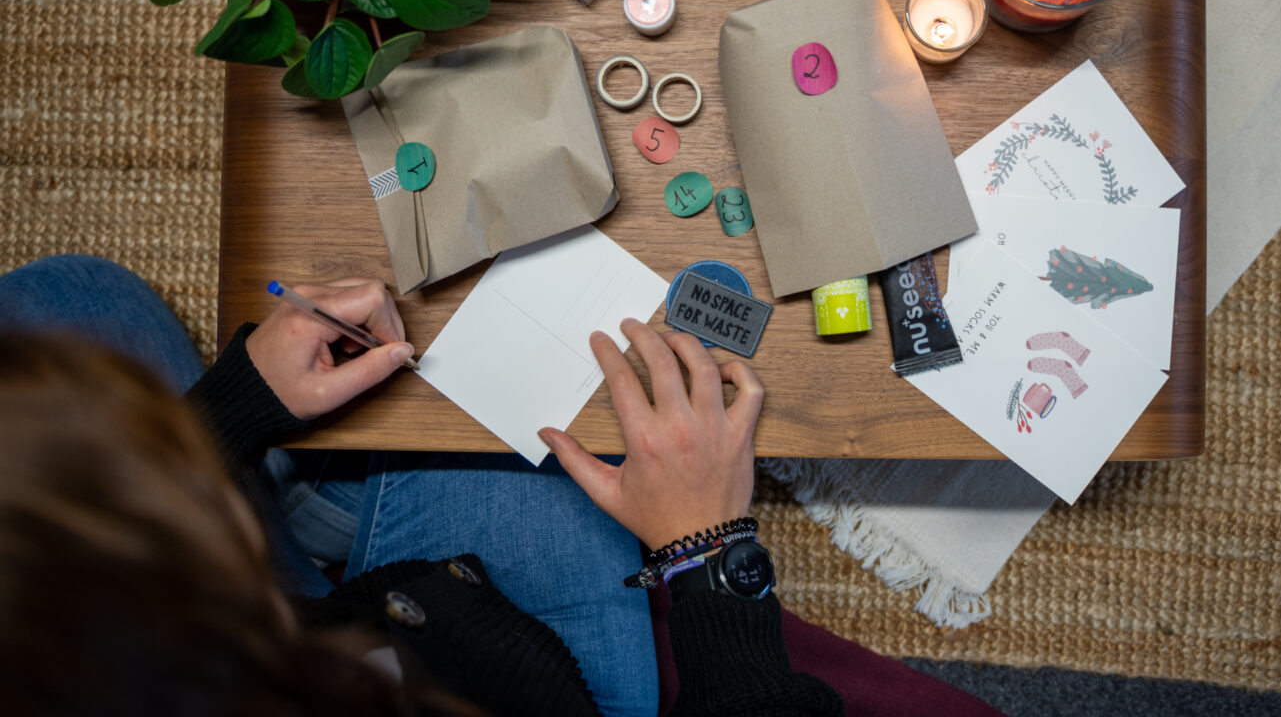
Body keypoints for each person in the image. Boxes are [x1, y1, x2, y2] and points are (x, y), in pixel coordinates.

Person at [0, 255, 842, 716]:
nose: (182, 473)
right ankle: (316, 506)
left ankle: (311, 509)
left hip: (335, 618)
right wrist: (706, 550)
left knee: (65, 298)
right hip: (525, 688)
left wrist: (234, 410)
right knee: (560, 433)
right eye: (181, 490)